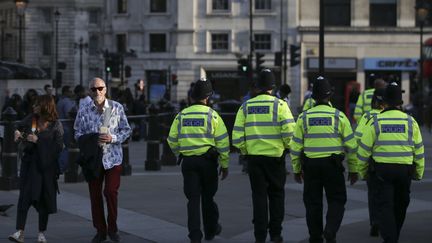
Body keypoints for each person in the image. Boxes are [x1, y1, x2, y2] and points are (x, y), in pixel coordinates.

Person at [289, 76, 358, 243]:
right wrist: (354, 169)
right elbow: (352, 146)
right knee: (337, 200)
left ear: (313, 97)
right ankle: (330, 230)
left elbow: (296, 146)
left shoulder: (304, 117)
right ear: (330, 95)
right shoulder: (339, 117)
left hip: (311, 166)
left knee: (313, 203)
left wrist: (297, 169)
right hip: (333, 166)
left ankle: (315, 236)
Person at [232, 69, 296, 243]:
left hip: (254, 159)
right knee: (277, 195)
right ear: (273, 88)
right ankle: (275, 233)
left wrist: (246, 152)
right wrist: (285, 149)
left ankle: (259, 235)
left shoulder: (246, 107)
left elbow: (237, 137)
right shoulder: (281, 106)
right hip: (275, 159)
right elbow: (291, 134)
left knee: (258, 197)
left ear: (258, 86)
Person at [357, 82, 424, 243]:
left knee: (385, 206)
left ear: (384, 102)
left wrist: (362, 171)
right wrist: (418, 173)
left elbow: (364, 149)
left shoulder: (375, 121)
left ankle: (390, 238)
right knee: (401, 205)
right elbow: (419, 150)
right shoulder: (410, 122)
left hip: (382, 171)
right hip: (404, 171)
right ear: (400, 103)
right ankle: (394, 235)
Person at [167, 78, 230, 243]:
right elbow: (223, 142)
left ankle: (195, 236)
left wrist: (179, 152)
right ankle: (211, 230)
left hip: (188, 163)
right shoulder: (213, 115)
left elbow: (172, 139)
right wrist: (225, 165)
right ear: (208, 98)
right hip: (208, 163)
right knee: (208, 198)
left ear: (192, 97)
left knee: (193, 201)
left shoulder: (182, 115)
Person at [74, 77, 131, 243]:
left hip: (113, 158)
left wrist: (112, 138)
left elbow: (126, 130)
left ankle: (113, 228)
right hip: (93, 160)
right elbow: (77, 133)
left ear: (105, 89)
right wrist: (92, 139)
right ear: (89, 91)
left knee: (111, 192)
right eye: (93, 89)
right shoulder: (84, 110)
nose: (97, 92)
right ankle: (100, 230)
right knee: (95, 195)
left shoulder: (116, 108)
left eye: (100, 88)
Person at [9, 95, 64, 243]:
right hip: (30, 164)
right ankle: (19, 232)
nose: (34, 107)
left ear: (46, 106)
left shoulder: (55, 125)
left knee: (43, 200)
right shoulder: (31, 119)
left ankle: (41, 233)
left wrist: (38, 141)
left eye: (37, 105)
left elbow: (58, 147)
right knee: (24, 198)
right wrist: (17, 133)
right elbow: (18, 127)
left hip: (46, 168)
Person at [354, 88, 386, 237]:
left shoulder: (367, 116)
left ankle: (375, 221)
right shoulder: (396, 117)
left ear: (374, 101)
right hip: (392, 162)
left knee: (373, 194)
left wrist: (361, 168)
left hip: (373, 163)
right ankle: (388, 222)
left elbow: (358, 138)